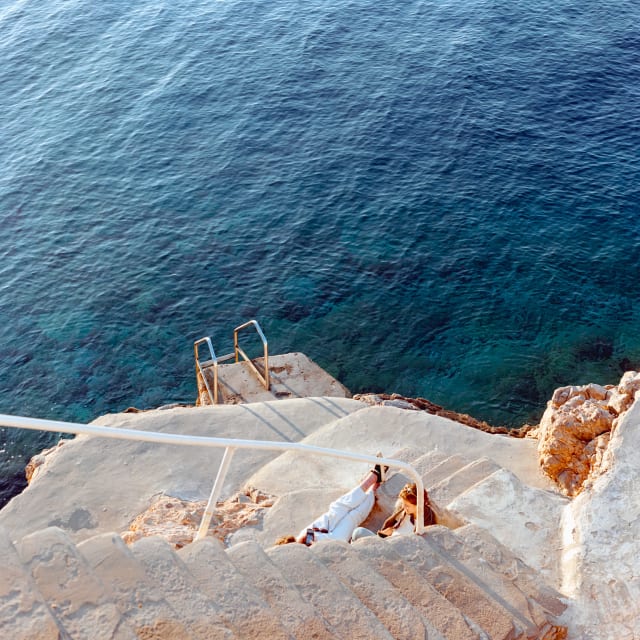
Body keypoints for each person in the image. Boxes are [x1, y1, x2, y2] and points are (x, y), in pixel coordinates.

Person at [275, 461, 387, 546]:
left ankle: (373, 478)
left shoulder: (302, 535)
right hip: (333, 540)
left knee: (339, 507)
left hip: (317, 533)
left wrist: (304, 540)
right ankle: (373, 486)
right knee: (352, 517)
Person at [351, 481, 435, 541]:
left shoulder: (423, 523)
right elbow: (394, 526)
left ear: (418, 505)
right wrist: (389, 532)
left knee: (359, 533)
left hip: (392, 549)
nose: (404, 507)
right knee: (357, 533)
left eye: (407, 506)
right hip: (387, 540)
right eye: (403, 504)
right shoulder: (406, 513)